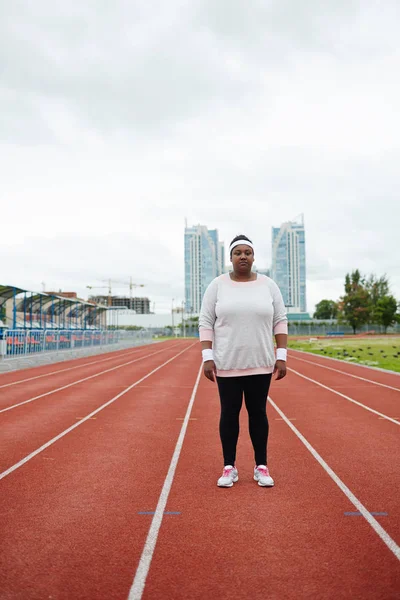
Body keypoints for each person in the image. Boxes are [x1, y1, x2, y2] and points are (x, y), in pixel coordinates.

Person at [199, 234, 288, 488]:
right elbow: (205, 321)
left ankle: (261, 466)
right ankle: (229, 467)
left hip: (261, 361)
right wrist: (208, 356)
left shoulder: (268, 285)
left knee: (258, 413)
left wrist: (281, 355)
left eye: (247, 253)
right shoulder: (217, 285)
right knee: (229, 414)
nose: (243, 257)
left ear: (253, 257)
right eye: (238, 253)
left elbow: (280, 320)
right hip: (227, 362)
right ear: (230, 258)